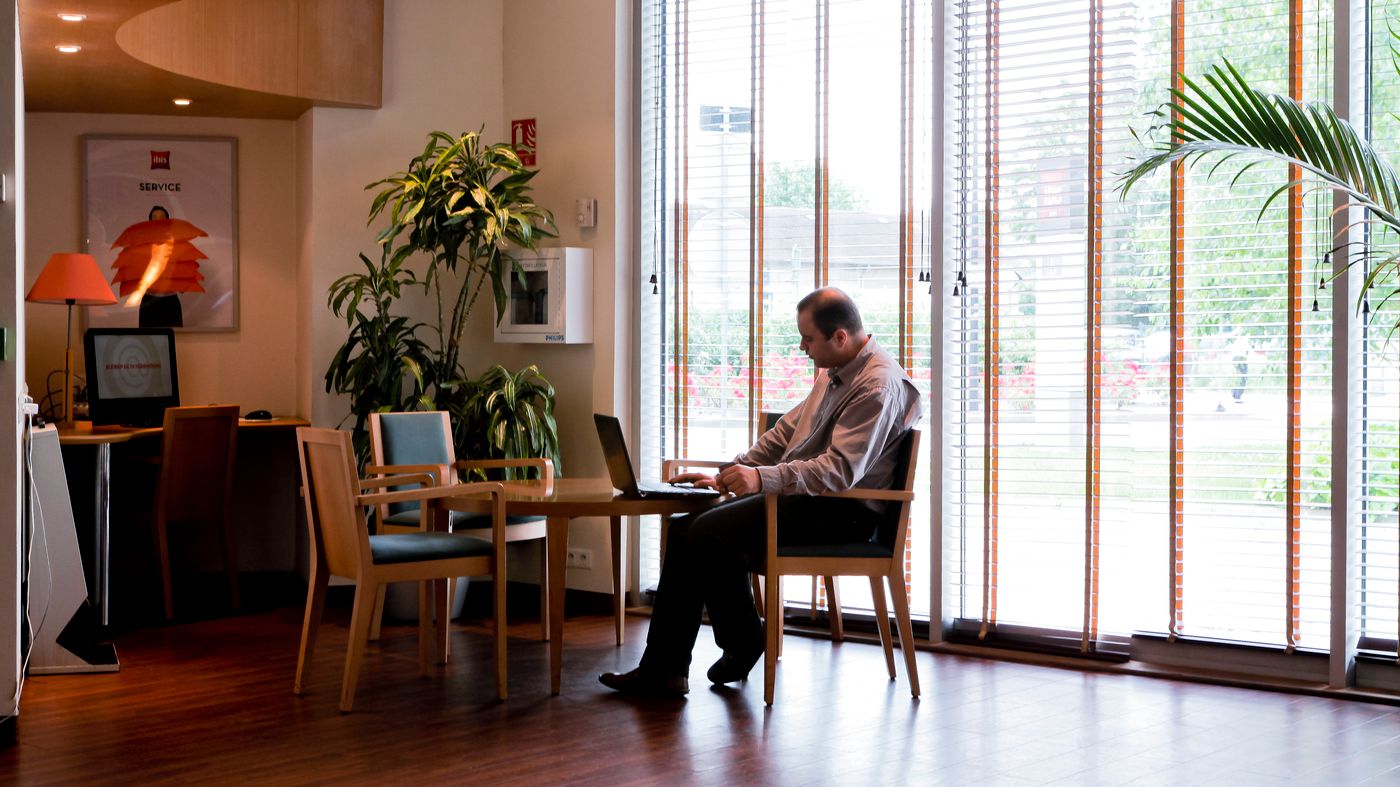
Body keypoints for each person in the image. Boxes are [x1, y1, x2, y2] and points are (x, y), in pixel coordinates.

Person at [599, 287, 922, 697]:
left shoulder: (877, 386)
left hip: (846, 514)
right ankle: (676, 665)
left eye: (808, 339)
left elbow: (838, 470)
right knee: (686, 527)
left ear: (840, 337)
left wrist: (761, 480)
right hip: (811, 503)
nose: (802, 347)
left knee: (705, 532)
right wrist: (733, 472)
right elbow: (787, 431)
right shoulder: (836, 373)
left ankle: (730, 646)